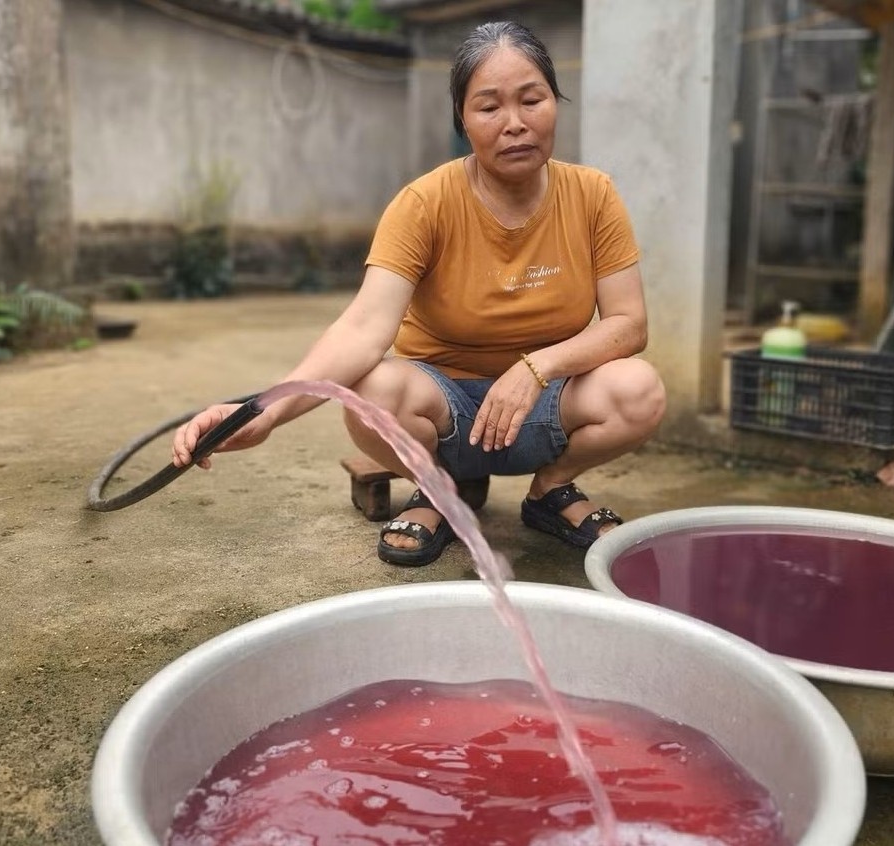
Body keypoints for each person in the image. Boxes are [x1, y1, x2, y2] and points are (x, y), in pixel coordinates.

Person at [172, 21, 665, 567]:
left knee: (638, 389)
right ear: (462, 119)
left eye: (533, 100)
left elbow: (627, 324)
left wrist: (535, 368)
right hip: (444, 408)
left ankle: (550, 490)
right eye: (489, 107)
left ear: (555, 101)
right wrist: (263, 412)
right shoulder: (424, 204)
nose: (516, 124)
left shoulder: (593, 195)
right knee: (371, 393)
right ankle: (438, 489)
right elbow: (362, 330)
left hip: (548, 403)